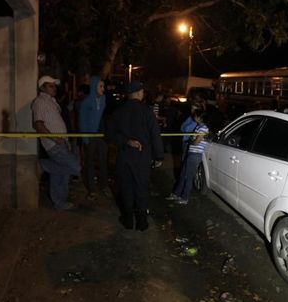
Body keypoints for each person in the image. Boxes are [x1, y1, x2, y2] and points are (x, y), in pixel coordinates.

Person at [107, 81, 164, 231]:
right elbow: (155, 135)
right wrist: (158, 157)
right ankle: (142, 222)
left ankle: (127, 220)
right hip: (142, 158)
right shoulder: (147, 112)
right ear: (139, 93)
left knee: (126, 187)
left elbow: (110, 133)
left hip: (124, 157)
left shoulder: (118, 112)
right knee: (141, 188)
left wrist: (126, 141)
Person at [32, 75, 81, 210]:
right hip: (55, 144)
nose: (54, 88)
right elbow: (38, 124)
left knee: (60, 174)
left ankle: (59, 202)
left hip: (61, 143)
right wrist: (55, 138)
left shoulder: (52, 102)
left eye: (54, 85)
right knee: (75, 168)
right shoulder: (40, 102)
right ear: (42, 87)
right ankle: (43, 165)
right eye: (51, 85)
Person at [166, 109, 209, 205]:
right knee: (182, 175)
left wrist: (190, 141)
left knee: (188, 177)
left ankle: (185, 198)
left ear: (199, 117)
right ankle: (176, 194)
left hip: (195, 155)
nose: (194, 117)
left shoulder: (204, 128)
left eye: (195, 116)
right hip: (191, 153)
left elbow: (197, 142)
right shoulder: (199, 127)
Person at [78, 75, 110, 199]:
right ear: (94, 87)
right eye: (100, 86)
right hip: (90, 137)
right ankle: (92, 189)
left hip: (101, 136)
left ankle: (104, 186)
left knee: (103, 162)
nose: (103, 88)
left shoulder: (103, 99)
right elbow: (82, 120)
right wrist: (85, 138)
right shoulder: (86, 102)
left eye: (103, 86)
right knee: (90, 163)